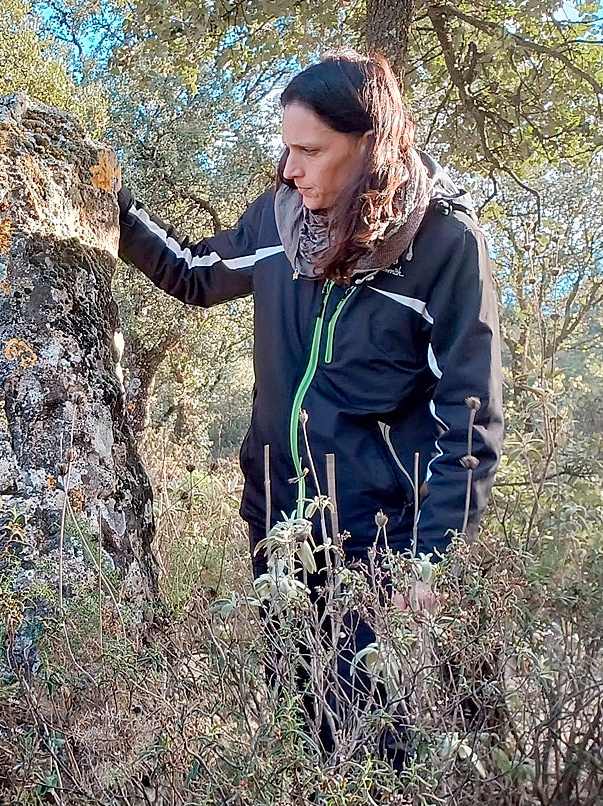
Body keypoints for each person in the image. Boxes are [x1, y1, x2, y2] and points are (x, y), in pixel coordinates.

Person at [116, 52, 503, 767]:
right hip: (278, 527)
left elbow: (469, 425)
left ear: (370, 146)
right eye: (286, 148)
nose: (289, 170)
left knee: (373, 745)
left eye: (309, 151)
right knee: (299, 718)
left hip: (376, 547)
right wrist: (110, 200)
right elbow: (193, 274)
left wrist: (431, 563)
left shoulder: (446, 248)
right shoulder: (280, 219)